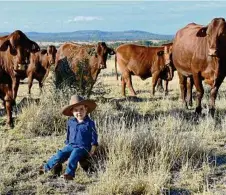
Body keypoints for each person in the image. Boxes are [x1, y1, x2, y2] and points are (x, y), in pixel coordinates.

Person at [39, 94, 98, 180]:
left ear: (86, 109)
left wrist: (93, 149)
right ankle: (46, 167)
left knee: (74, 156)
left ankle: (69, 174)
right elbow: (69, 134)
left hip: (83, 147)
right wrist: (67, 144)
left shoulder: (89, 123)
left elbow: (94, 136)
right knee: (60, 154)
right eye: (76, 110)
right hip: (71, 145)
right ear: (72, 112)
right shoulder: (71, 122)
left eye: (81, 109)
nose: (79, 112)